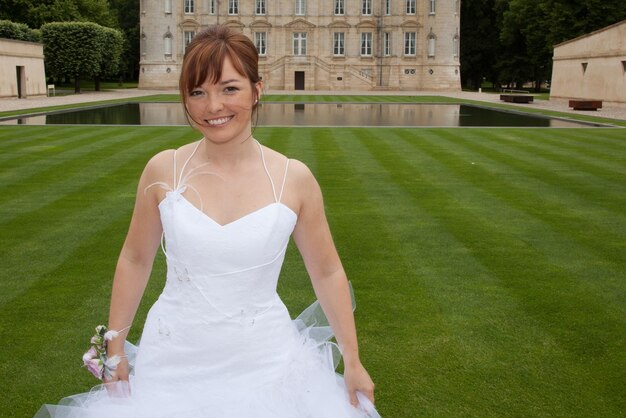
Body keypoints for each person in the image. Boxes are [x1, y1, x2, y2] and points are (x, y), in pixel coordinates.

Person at [36, 25, 378, 418]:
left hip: (267, 363)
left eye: (229, 88)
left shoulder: (293, 178)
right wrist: (115, 348)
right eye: (197, 92)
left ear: (257, 89)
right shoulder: (164, 169)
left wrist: (352, 360)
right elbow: (135, 258)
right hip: (172, 362)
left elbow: (327, 270)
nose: (212, 106)